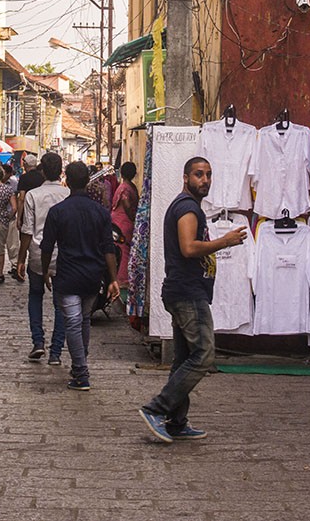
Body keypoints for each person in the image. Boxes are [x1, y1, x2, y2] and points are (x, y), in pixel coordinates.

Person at [139, 157, 247, 443]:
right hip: (187, 293)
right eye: (199, 174)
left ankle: (176, 421)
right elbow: (188, 248)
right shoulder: (187, 208)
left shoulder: (189, 206)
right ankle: (156, 409)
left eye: (209, 175)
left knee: (185, 358)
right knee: (204, 355)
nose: (205, 180)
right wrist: (225, 241)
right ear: (186, 178)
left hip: (183, 290)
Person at [39, 162, 119, 391]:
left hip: (68, 274)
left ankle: (81, 372)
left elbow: (47, 246)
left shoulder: (58, 212)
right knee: (82, 320)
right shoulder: (101, 212)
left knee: (74, 322)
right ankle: (79, 365)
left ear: (68, 182)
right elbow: (108, 248)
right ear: (87, 182)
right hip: (92, 276)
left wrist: (45, 271)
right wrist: (112, 278)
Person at [17, 152, 68, 363]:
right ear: (61, 171)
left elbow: (28, 230)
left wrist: (21, 258)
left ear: (43, 171)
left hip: (38, 253)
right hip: (63, 255)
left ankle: (38, 342)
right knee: (61, 302)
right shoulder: (68, 194)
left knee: (35, 296)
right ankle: (56, 351)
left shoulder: (33, 195)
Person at [11, 154, 43, 281]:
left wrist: (19, 217)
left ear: (26, 165)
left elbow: (21, 198)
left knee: (24, 241)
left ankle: (21, 266)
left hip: (27, 212)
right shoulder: (42, 177)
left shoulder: (24, 178)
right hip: (40, 211)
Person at [110, 162, 139, 296]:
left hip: (121, 223)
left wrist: (132, 216)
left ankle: (122, 280)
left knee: (122, 252)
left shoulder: (124, 188)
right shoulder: (131, 187)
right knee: (124, 250)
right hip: (125, 223)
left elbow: (126, 205)